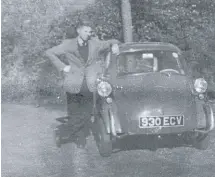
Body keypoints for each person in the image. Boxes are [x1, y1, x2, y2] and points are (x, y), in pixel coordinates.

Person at [45, 20, 120, 148]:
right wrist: (63, 67)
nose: (88, 33)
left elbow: (110, 42)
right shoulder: (68, 44)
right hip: (73, 82)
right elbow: (49, 53)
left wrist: (114, 44)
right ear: (79, 31)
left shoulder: (94, 44)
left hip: (89, 84)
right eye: (85, 31)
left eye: (90, 31)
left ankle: (62, 132)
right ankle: (80, 139)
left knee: (86, 113)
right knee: (74, 113)